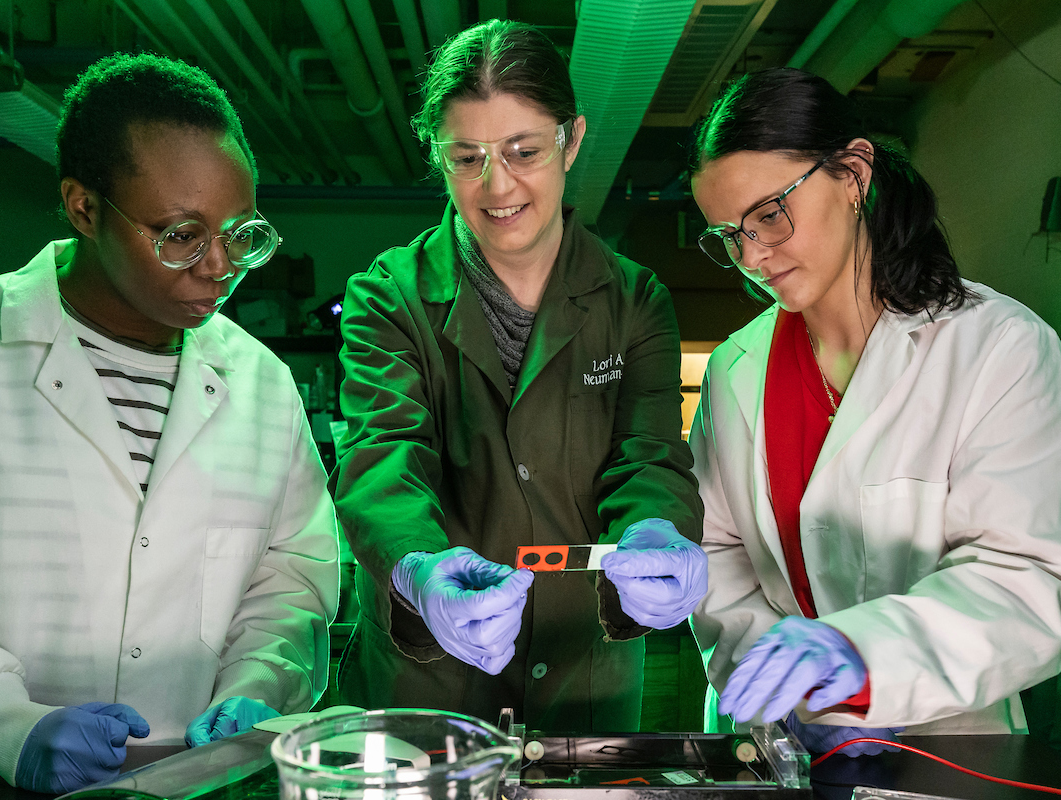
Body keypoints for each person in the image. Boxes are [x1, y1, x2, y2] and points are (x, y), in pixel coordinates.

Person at [0, 53, 339, 793]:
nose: (219, 265)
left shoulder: (262, 388)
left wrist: (259, 684)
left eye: (241, 232)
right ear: (85, 207)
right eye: (180, 234)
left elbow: (291, 576)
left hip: (196, 780)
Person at [330, 19, 706, 733]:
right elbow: (383, 457)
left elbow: (649, 452)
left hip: (582, 683)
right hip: (430, 682)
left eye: (523, 151)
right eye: (465, 157)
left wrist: (657, 526)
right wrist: (420, 568)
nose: (496, 185)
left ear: (572, 139)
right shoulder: (388, 296)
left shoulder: (634, 299)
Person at [687, 67, 1061, 756]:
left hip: (947, 744)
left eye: (770, 214)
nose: (752, 255)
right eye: (728, 236)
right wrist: (778, 673)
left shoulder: (998, 348)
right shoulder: (735, 369)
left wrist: (862, 660)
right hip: (776, 741)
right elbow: (717, 549)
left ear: (854, 174)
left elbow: (1031, 575)